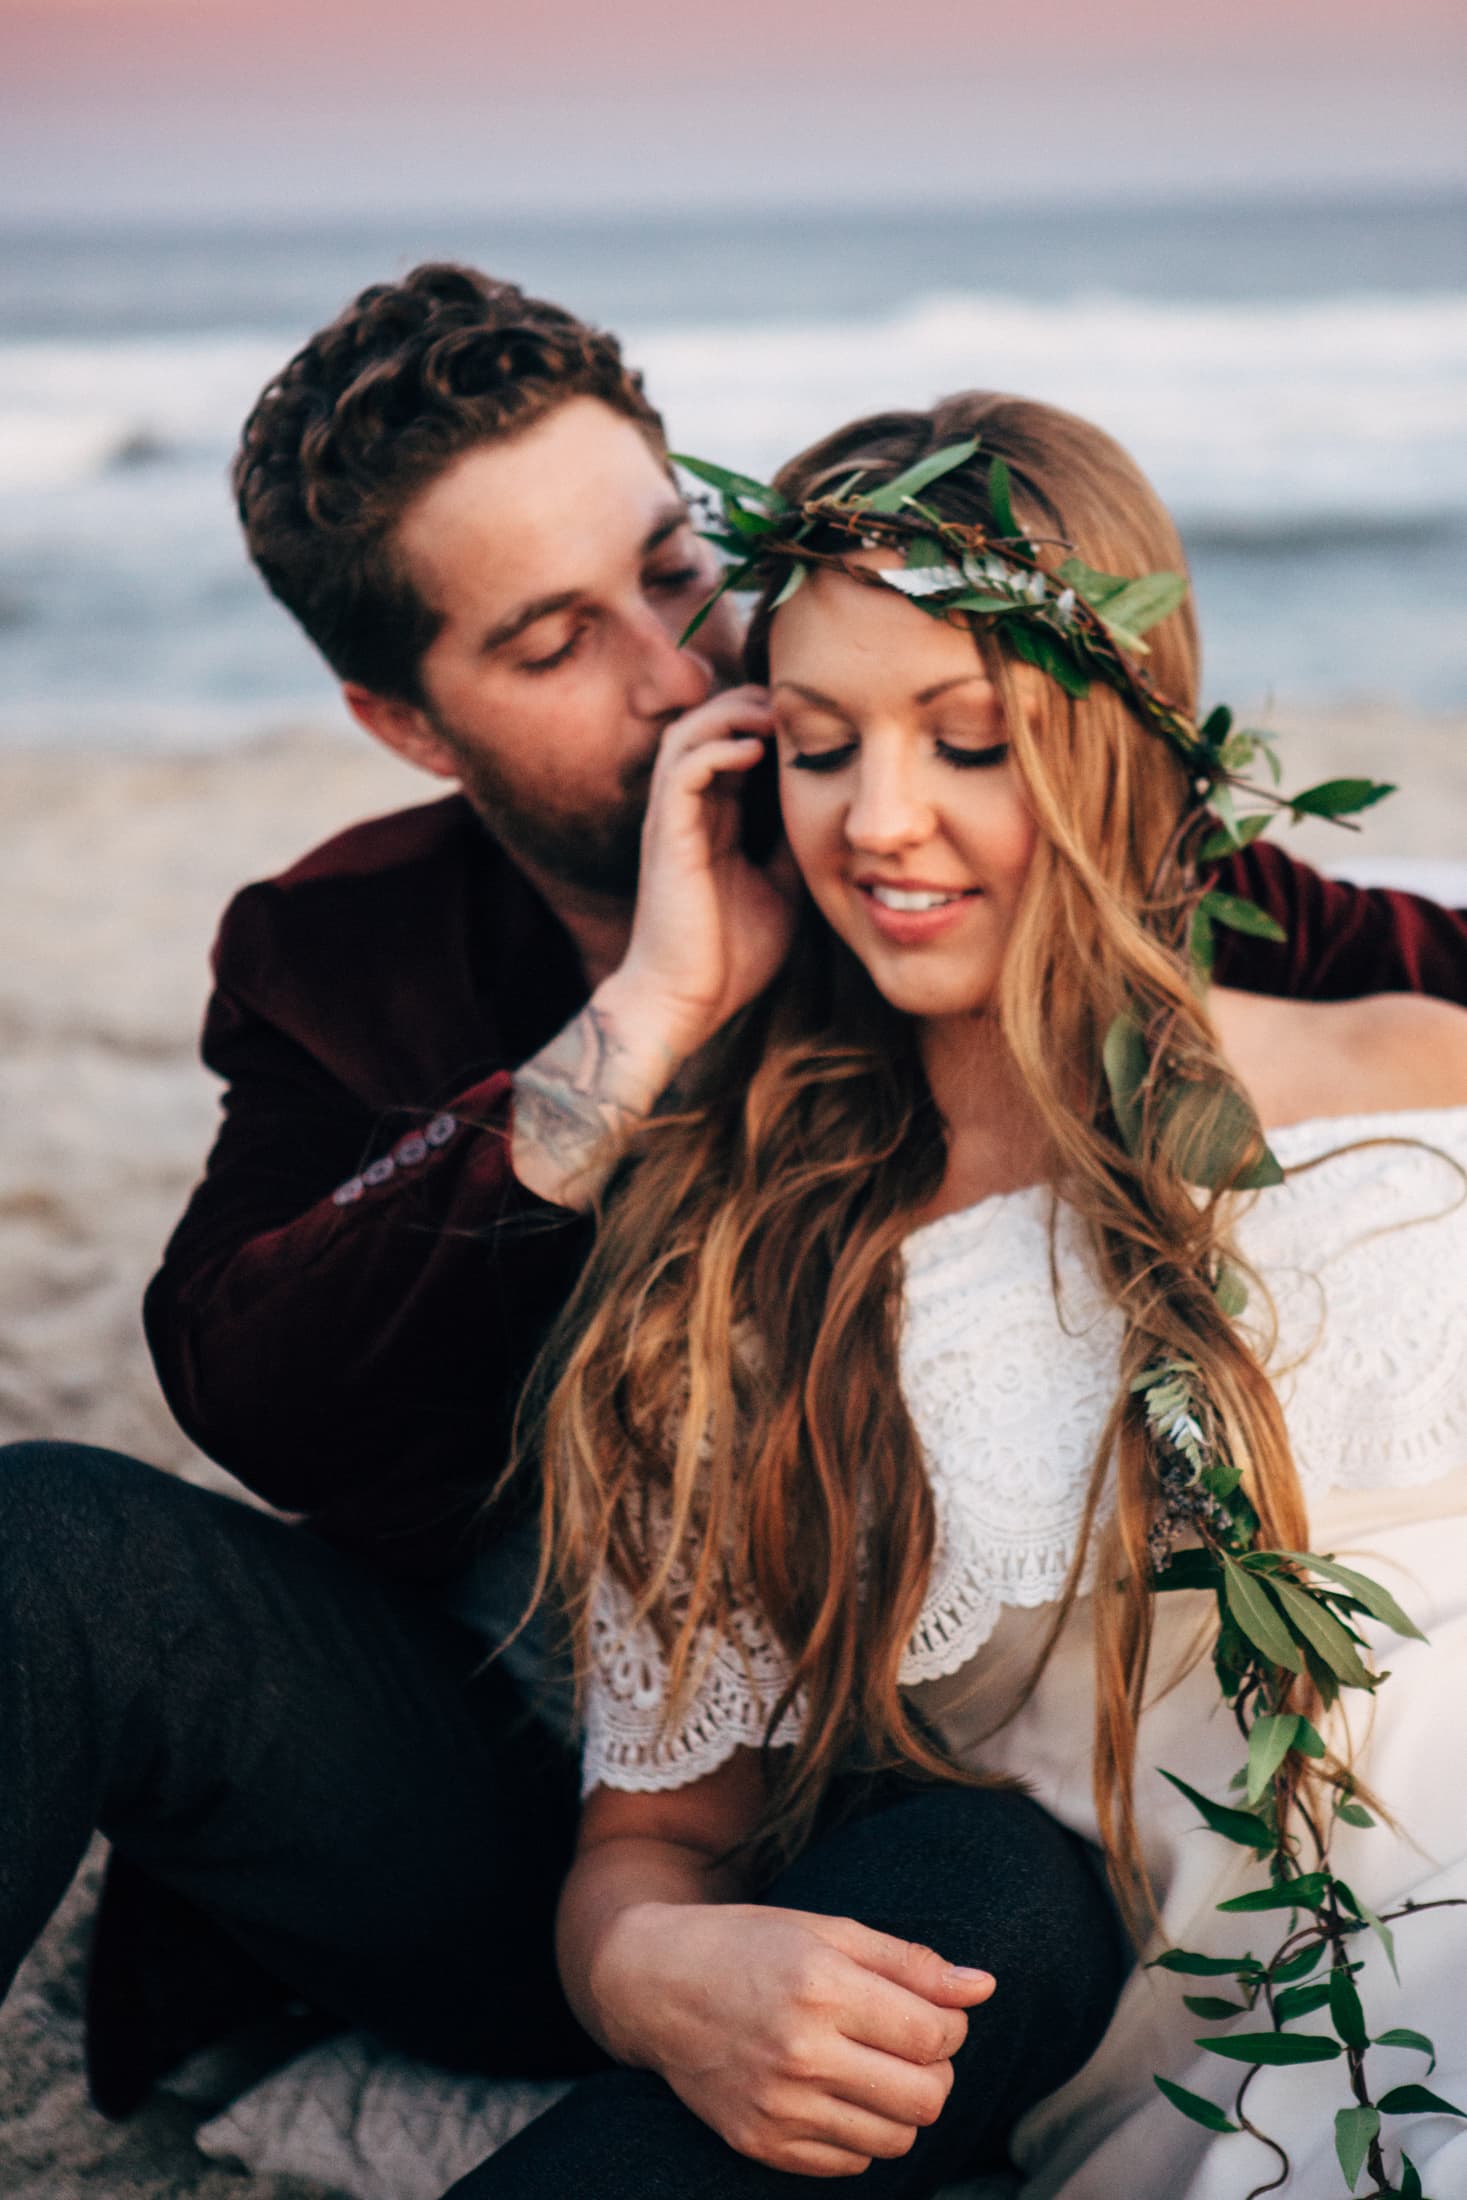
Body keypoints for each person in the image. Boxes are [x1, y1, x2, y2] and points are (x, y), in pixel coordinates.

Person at [1, 265, 1463, 2131]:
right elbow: (259, 1391)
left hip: (910, 1830)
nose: (686, 672)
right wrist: (647, 1021)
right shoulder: (333, 954)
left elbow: (1386, 991)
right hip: (502, 1792)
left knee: (989, 1906)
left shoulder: (977, 836)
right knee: (43, 1537)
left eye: (681, 575)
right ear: (409, 724)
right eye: (553, 645)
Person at [440, 394, 1467, 2198]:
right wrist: (644, 1968)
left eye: (973, 739)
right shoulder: (748, 1279)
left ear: (1133, 747)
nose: (880, 821)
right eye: (819, 745)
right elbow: (654, 1845)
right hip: (1303, 2033)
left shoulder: (1412, 1061)